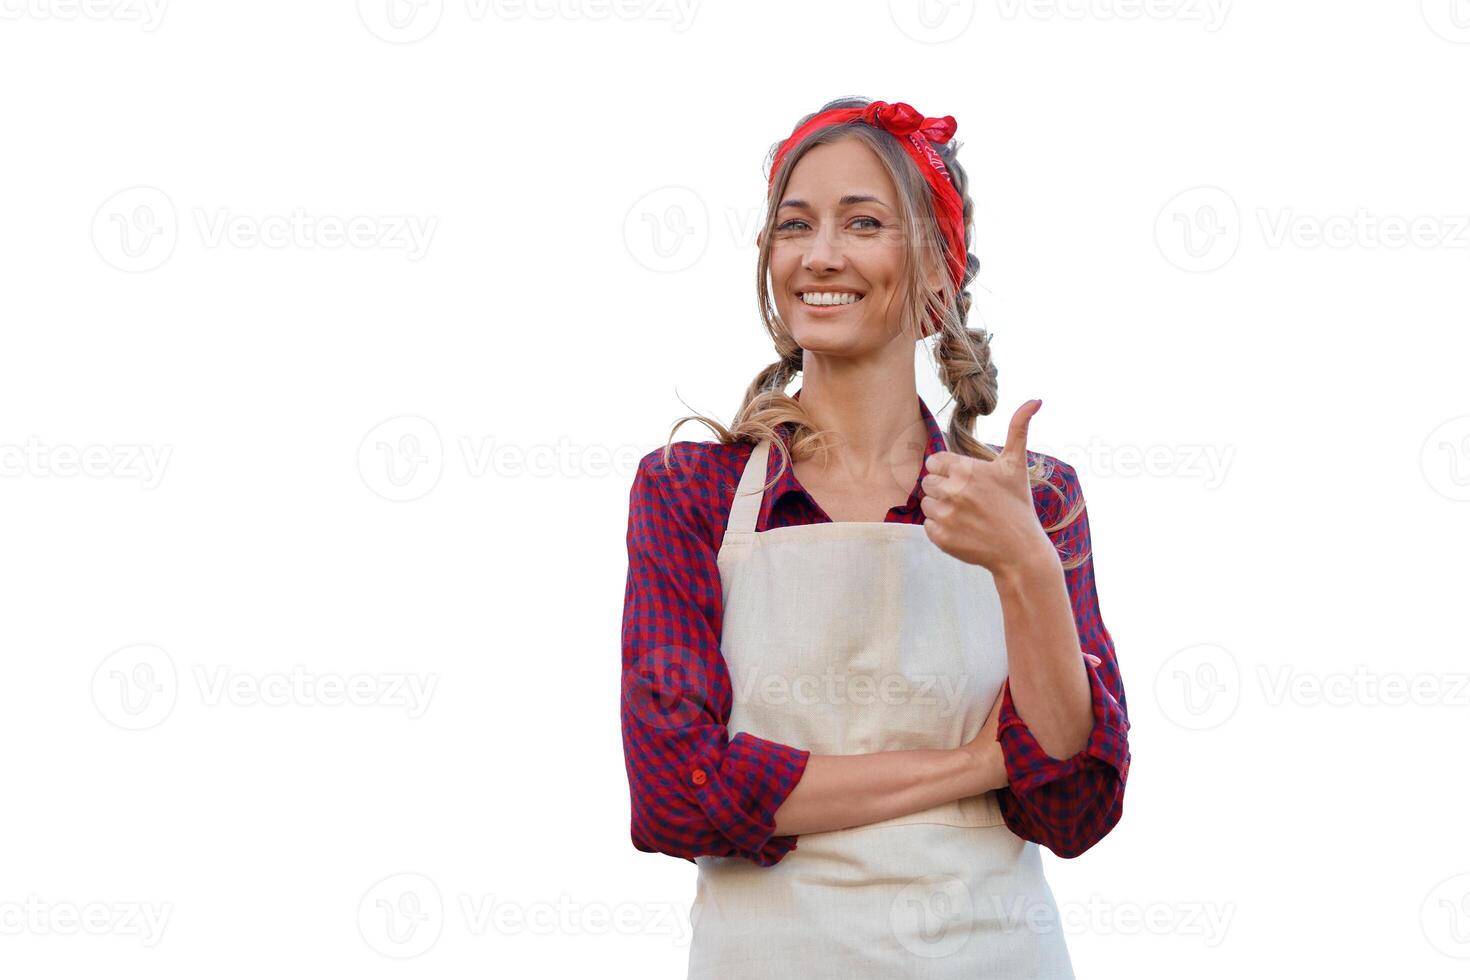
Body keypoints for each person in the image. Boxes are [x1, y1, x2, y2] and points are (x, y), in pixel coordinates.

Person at [620, 97, 1131, 979]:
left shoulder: (1036, 501)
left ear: (936, 265)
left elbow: (1076, 802)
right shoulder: (689, 492)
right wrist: (977, 762)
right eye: (795, 225)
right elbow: (676, 792)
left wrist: (1023, 564)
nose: (821, 255)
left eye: (864, 223)